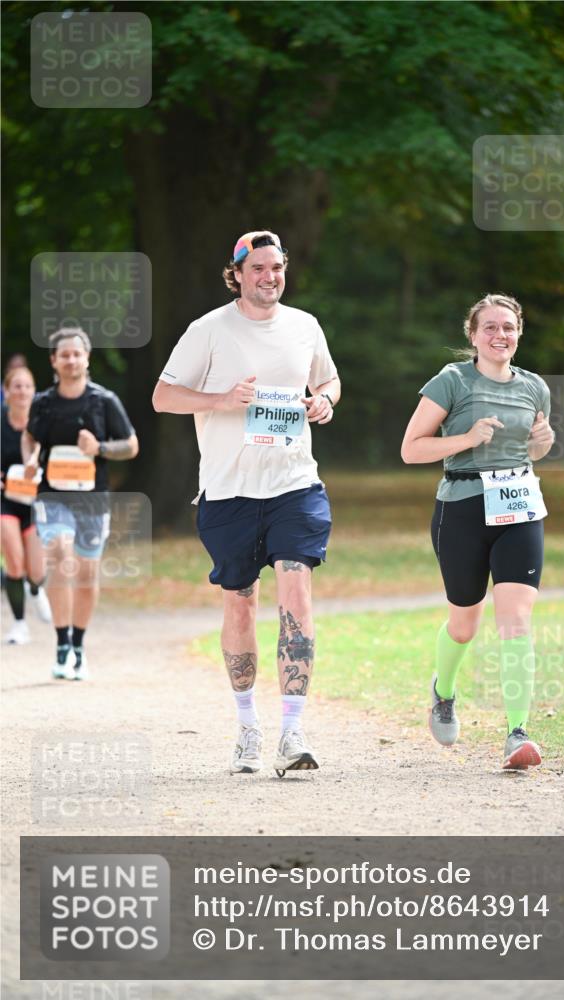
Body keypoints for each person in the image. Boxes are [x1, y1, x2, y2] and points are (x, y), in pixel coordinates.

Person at [153, 230, 340, 777]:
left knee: (296, 583)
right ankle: (247, 729)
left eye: (277, 267)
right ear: (236, 273)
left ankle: (292, 730)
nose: (270, 277)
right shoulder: (208, 330)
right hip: (230, 491)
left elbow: (328, 378)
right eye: (258, 268)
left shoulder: (304, 326)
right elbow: (163, 396)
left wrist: (323, 401)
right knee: (240, 602)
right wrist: (221, 400)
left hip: (294, 484)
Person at [401, 294, 555, 769]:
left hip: (519, 507)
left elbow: (532, 448)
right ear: (473, 335)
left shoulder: (534, 388)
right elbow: (411, 449)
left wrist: (543, 445)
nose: (499, 335)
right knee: (465, 624)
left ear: (519, 333)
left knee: (516, 619)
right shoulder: (453, 381)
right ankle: (443, 692)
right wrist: (466, 439)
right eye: (489, 327)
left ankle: (517, 732)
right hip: (463, 508)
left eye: (508, 327)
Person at [22, 329, 139, 680]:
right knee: (59, 553)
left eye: (77, 354)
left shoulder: (104, 401)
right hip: (52, 495)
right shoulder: (43, 403)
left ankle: (77, 645)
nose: (71, 360)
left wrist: (100, 448)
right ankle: (60, 643)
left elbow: (131, 445)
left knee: (86, 574)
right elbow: (30, 437)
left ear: (86, 358)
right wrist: (30, 459)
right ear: (54, 361)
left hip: (92, 499)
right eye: (64, 355)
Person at [1, 366, 51, 643]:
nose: (21, 391)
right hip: (5, 502)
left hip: (35, 502)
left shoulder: (42, 423)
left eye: (27, 386)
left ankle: (35, 589)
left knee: (37, 570)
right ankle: (19, 624)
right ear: (6, 392)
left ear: (34, 391)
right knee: (15, 564)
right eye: (16, 386)